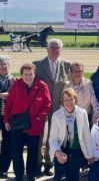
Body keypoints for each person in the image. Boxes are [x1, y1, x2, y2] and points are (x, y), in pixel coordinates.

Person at [4, 63, 51, 181]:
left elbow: (48, 103)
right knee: (16, 151)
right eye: (25, 74)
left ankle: (31, 174)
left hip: (34, 124)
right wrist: (6, 120)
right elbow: (9, 104)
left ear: (34, 74)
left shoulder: (42, 85)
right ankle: (19, 174)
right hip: (17, 124)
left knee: (33, 151)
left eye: (30, 74)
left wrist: (41, 117)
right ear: (21, 75)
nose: (28, 76)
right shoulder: (16, 86)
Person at [34, 38, 70, 176]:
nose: (55, 50)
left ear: (60, 50)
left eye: (57, 48)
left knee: (53, 136)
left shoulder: (66, 65)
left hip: (58, 107)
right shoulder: (37, 65)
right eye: (52, 48)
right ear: (47, 49)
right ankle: (37, 164)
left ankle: (49, 163)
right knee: (39, 135)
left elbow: (76, 78)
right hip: (41, 107)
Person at [49, 88, 94, 181]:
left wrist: (89, 155)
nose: (68, 102)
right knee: (58, 176)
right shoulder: (56, 115)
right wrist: (57, 152)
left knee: (72, 174)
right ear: (62, 102)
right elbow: (52, 138)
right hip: (62, 150)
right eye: (66, 99)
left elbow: (86, 135)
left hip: (76, 151)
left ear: (76, 100)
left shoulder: (82, 113)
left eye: (71, 99)